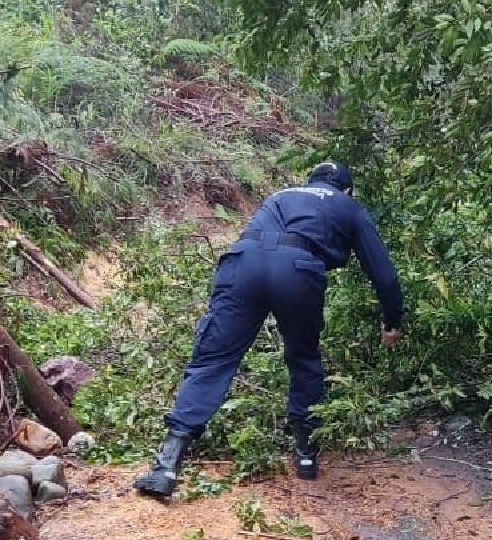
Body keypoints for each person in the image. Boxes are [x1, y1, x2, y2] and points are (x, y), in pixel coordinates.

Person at [134, 161, 404, 497]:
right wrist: (392, 321)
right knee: (303, 357)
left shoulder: (281, 195)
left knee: (212, 359)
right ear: (347, 188)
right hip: (296, 270)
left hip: (242, 264)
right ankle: (306, 457)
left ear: (310, 181)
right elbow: (384, 273)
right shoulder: (347, 205)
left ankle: (167, 466)